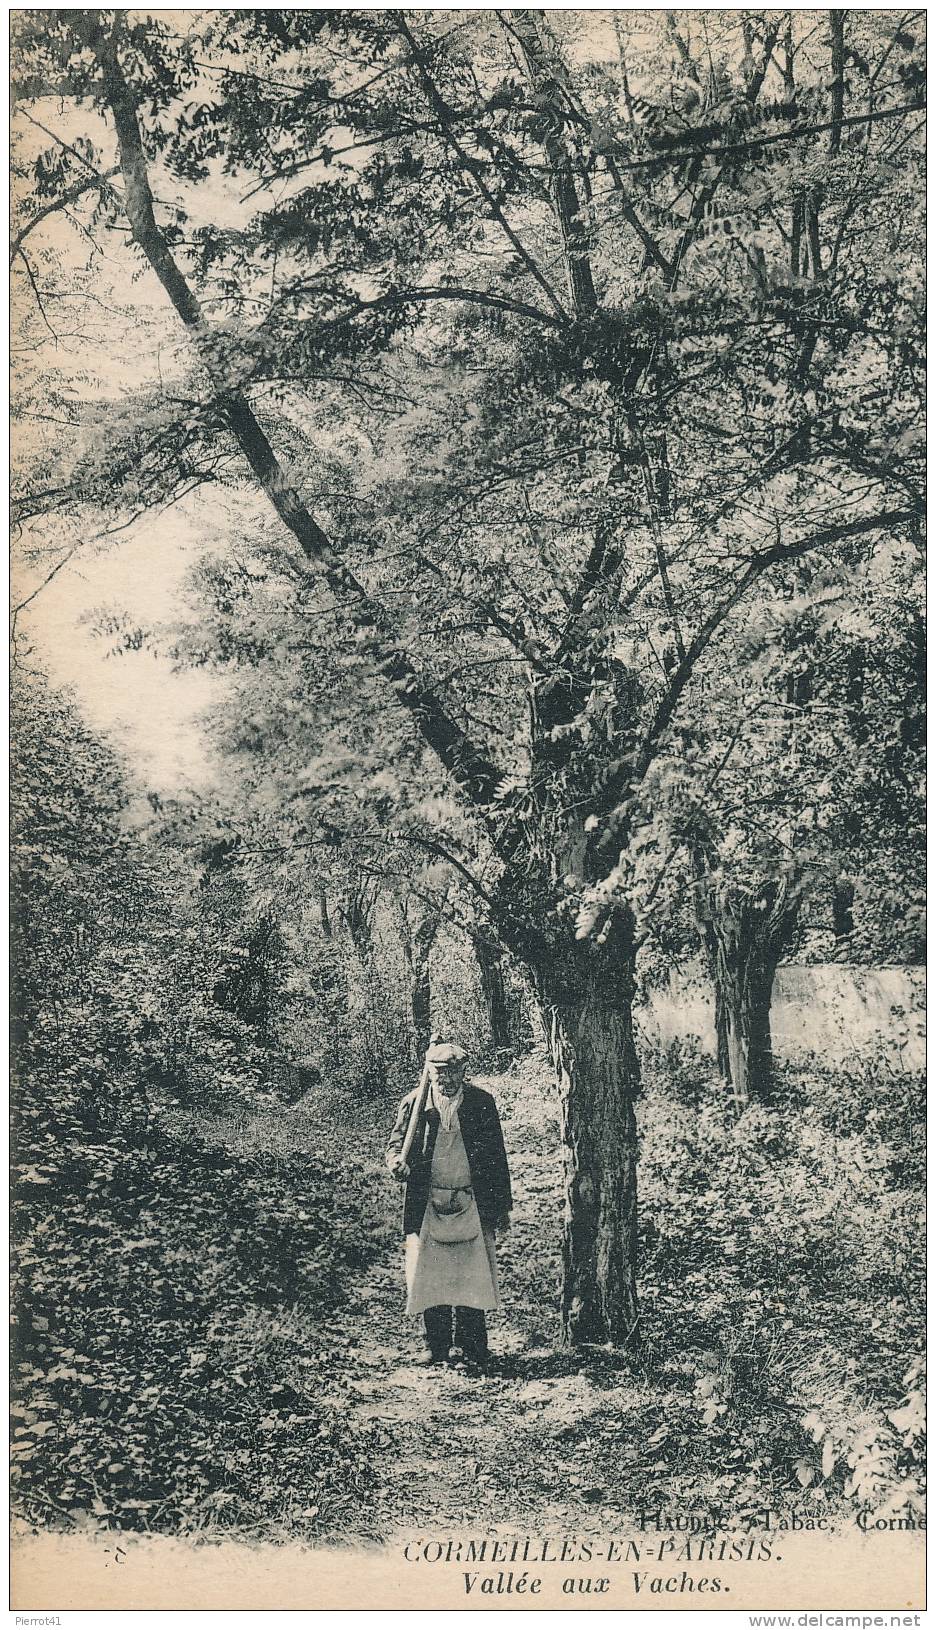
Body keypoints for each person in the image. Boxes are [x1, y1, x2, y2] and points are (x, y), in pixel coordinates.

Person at [386, 1042, 512, 1369]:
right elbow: (395, 1147)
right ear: (430, 1072)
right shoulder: (414, 1105)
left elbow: (497, 1159)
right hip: (429, 1203)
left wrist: (500, 1207)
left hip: (471, 1201)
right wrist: (396, 1164)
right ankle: (436, 1346)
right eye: (440, 1072)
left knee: (472, 1275)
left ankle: (473, 1346)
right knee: (431, 1276)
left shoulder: (481, 1104)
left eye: (453, 1071)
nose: (447, 1079)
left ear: (464, 1071)